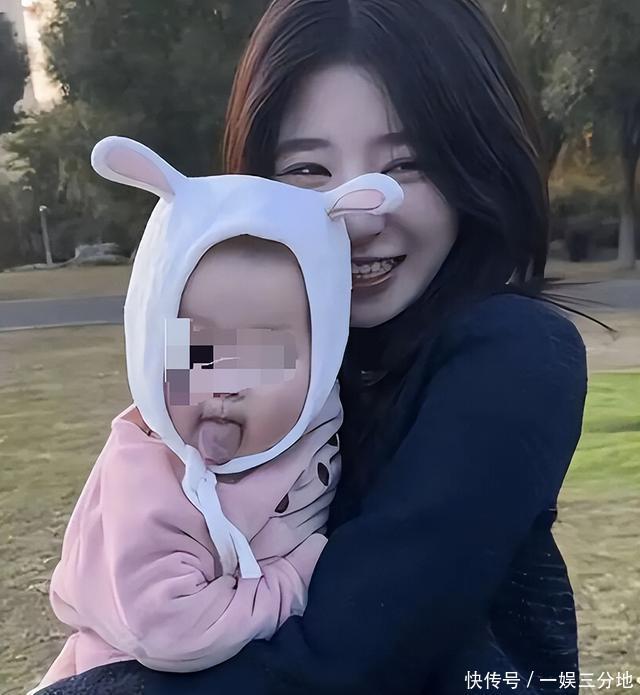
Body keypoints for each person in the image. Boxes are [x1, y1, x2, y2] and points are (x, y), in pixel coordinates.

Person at [33, 1, 588, 693]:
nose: (359, 219)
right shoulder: (271, 363)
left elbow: (347, 654)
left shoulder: (513, 354)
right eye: (306, 169)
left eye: (407, 164)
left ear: (475, 162)